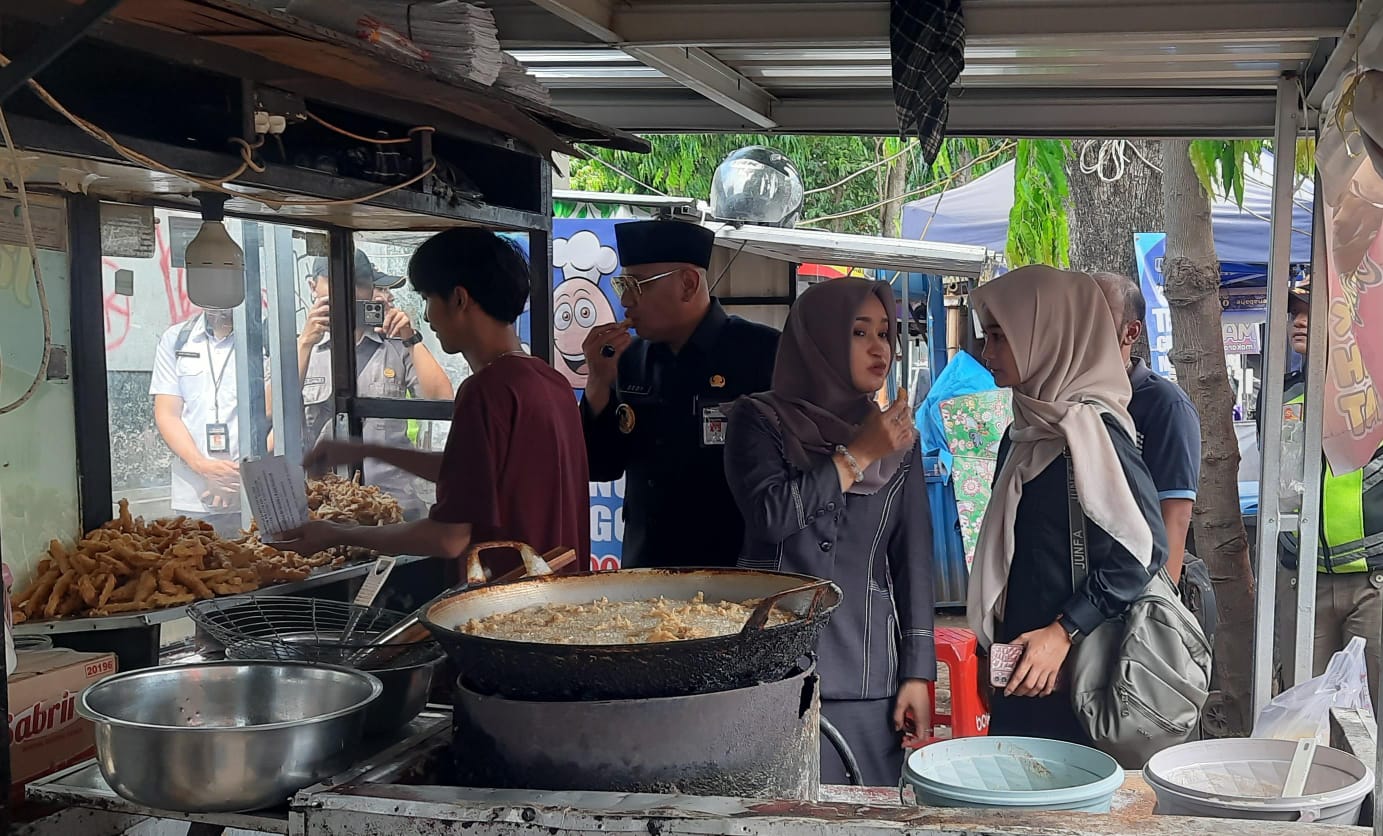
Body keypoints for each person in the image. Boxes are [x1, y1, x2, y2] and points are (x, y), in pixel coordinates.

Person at [280, 229, 591, 578]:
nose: (427, 317)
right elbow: (469, 474)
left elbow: (448, 539)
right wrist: (369, 451)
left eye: (428, 298)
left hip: (506, 611)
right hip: (560, 603)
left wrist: (337, 533)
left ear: (459, 299)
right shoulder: (551, 382)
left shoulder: (485, 391)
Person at [725, 278, 935, 787]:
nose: (879, 347)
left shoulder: (900, 439)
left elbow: (913, 560)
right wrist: (858, 455)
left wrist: (918, 672)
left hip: (866, 671)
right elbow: (770, 515)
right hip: (770, 665)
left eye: (885, 332)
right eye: (860, 332)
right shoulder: (757, 419)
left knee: (863, 809)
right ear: (818, 338)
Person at [968, 266, 1168, 743]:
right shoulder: (1026, 431)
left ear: (1050, 335)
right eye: (987, 336)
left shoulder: (1089, 432)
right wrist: (987, 650)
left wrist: (1063, 632)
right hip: (1023, 669)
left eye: (1000, 336)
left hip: (1078, 678)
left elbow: (1142, 550)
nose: (986, 352)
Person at [580, 220, 779, 568]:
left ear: (687, 284)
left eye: (637, 285)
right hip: (647, 570)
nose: (625, 300)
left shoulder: (763, 353)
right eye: (622, 285)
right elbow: (601, 466)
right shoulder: (629, 360)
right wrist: (598, 382)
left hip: (734, 572)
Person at [1263, 286, 1383, 693]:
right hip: (1303, 576)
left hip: (1373, 583)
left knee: (1371, 717)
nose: (1298, 320)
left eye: (1311, 311)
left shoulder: (1376, 392)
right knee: (1303, 710)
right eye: (1295, 311)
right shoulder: (1281, 394)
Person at [299, 250, 454, 519]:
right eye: (337, 285)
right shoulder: (302, 347)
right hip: (326, 506)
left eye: (360, 285)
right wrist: (304, 344)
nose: (351, 295)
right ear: (314, 287)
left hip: (394, 504)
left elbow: (442, 398)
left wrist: (410, 337)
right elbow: (269, 411)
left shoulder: (397, 343)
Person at [1091, 272, 1201, 583]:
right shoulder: (1066, 400)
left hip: (1130, 592)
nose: (1083, 326)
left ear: (1131, 331)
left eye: (1097, 315)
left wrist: (1158, 609)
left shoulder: (1165, 405)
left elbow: (1175, 516)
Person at [150, 307, 268, 537]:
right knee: (197, 564)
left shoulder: (268, 338)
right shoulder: (177, 339)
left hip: (256, 491)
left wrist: (241, 474)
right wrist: (203, 467)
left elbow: (280, 413)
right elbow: (167, 414)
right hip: (194, 495)